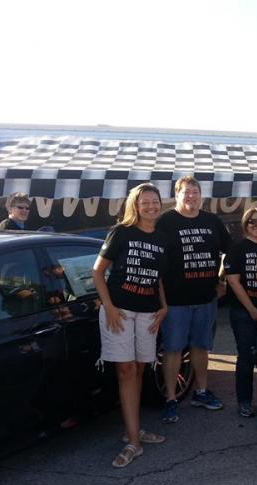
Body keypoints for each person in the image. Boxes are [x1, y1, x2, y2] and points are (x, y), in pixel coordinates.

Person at [92, 183, 169, 468]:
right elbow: (98, 271)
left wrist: (164, 305)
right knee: (125, 371)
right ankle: (134, 443)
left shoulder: (161, 239)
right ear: (134, 205)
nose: (151, 206)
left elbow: (158, 277)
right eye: (144, 202)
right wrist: (109, 306)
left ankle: (132, 430)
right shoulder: (121, 232)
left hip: (148, 313)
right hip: (120, 311)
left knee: (138, 371)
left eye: (155, 201)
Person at [156, 176, 231, 423]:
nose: (191, 197)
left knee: (201, 347)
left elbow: (229, 253)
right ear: (176, 195)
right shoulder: (165, 221)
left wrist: (221, 279)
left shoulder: (212, 221)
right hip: (176, 301)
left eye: (195, 192)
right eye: (186, 192)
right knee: (173, 350)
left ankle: (201, 391)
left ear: (201, 195)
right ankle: (170, 398)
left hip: (206, 298)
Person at [222, 207, 257, 418]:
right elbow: (233, 281)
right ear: (245, 225)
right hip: (243, 312)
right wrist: (251, 309)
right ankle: (245, 402)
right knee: (246, 358)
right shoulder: (238, 248)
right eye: (252, 222)